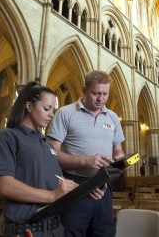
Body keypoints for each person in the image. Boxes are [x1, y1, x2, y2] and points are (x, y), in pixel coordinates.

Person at [0, 81, 80, 237]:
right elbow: (5, 186)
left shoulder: (47, 145)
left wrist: (85, 189)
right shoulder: (8, 137)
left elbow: (58, 182)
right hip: (26, 231)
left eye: (53, 110)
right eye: (47, 108)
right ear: (29, 106)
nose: (51, 114)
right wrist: (52, 196)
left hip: (55, 229)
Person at [47, 70, 125, 237]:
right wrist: (84, 161)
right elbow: (51, 153)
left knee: (104, 233)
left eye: (105, 94)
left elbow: (118, 150)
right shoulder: (65, 113)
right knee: (72, 233)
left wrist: (118, 160)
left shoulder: (112, 117)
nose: (101, 99)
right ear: (84, 90)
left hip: (103, 185)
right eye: (95, 93)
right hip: (73, 184)